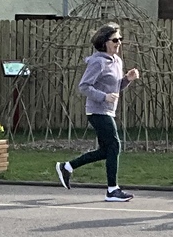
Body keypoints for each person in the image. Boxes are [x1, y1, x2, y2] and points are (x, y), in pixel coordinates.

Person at [57, 22, 136, 203]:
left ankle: (67, 167)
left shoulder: (117, 61)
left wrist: (127, 79)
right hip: (97, 112)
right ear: (104, 42)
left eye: (120, 39)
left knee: (106, 151)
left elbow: (115, 87)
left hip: (108, 111)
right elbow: (84, 86)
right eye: (115, 40)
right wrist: (103, 97)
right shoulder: (97, 62)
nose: (119, 42)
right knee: (115, 145)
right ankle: (112, 190)